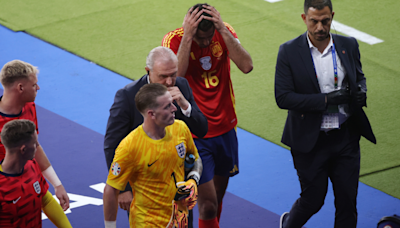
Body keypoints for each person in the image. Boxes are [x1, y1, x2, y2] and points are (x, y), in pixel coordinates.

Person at [274, 0, 376, 227]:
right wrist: (327, 100)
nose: (320, 27)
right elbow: (283, 97)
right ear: (304, 19)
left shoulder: (348, 45)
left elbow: (359, 78)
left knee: (347, 202)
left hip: (345, 138)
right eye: (314, 21)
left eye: (325, 21)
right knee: (313, 200)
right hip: (310, 141)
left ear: (332, 17)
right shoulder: (288, 51)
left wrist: (361, 92)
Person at [162, 3, 253, 228]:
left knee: (216, 200)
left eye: (208, 37)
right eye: (200, 38)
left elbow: (247, 65)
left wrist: (221, 29)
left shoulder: (223, 32)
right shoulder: (174, 40)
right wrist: (188, 37)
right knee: (208, 204)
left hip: (226, 128)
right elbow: (176, 78)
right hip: (196, 133)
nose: (204, 43)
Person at [104, 46, 207, 214]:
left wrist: (184, 104)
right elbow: (112, 144)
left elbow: (202, 129)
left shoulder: (181, 86)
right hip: (145, 188)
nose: (169, 81)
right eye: (163, 76)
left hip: (178, 187)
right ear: (148, 71)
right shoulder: (128, 97)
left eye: (173, 74)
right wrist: (123, 189)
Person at [103, 83, 203, 228]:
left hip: (180, 220)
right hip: (147, 223)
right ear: (151, 114)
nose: (175, 108)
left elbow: (195, 158)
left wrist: (193, 180)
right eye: (167, 106)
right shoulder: (130, 147)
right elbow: (111, 190)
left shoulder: (180, 128)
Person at [0, 60, 70, 210]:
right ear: (20, 88)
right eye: (34, 85)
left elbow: (35, 146)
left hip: (29, 183)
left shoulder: (29, 107)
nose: (38, 88)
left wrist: (57, 184)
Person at [0, 119, 72, 227]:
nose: (38, 146)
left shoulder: (32, 166)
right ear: (23, 150)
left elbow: (46, 200)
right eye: (35, 143)